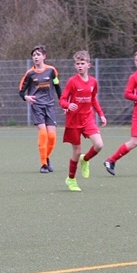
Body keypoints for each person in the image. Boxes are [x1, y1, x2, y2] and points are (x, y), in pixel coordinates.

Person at [59, 51, 107, 192]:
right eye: (77, 64)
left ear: (88, 65)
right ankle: (71, 179)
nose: (80, 66)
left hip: (88, 119)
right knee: (76, 150)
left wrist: (101, 114)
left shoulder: (93, 82)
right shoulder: (72, 81)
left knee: (99, 145)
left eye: (82, 63)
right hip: (73, 120)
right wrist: (68, 105)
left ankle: (85, 159)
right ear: (75, 66)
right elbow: (62, 100)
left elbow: (93, 99)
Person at [19, 45, 62, 173]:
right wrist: (26, 97)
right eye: (34, 55)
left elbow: (57, 86)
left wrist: (63, 102)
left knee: (52, 136)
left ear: (44, 56)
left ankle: (46, 158)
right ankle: (43, 164)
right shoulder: (30, 74)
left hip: (50, 106)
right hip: (37, 106)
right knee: (43, 134)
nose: (36, 57)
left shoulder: (51, 71)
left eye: (38, 55)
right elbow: (21, 91)